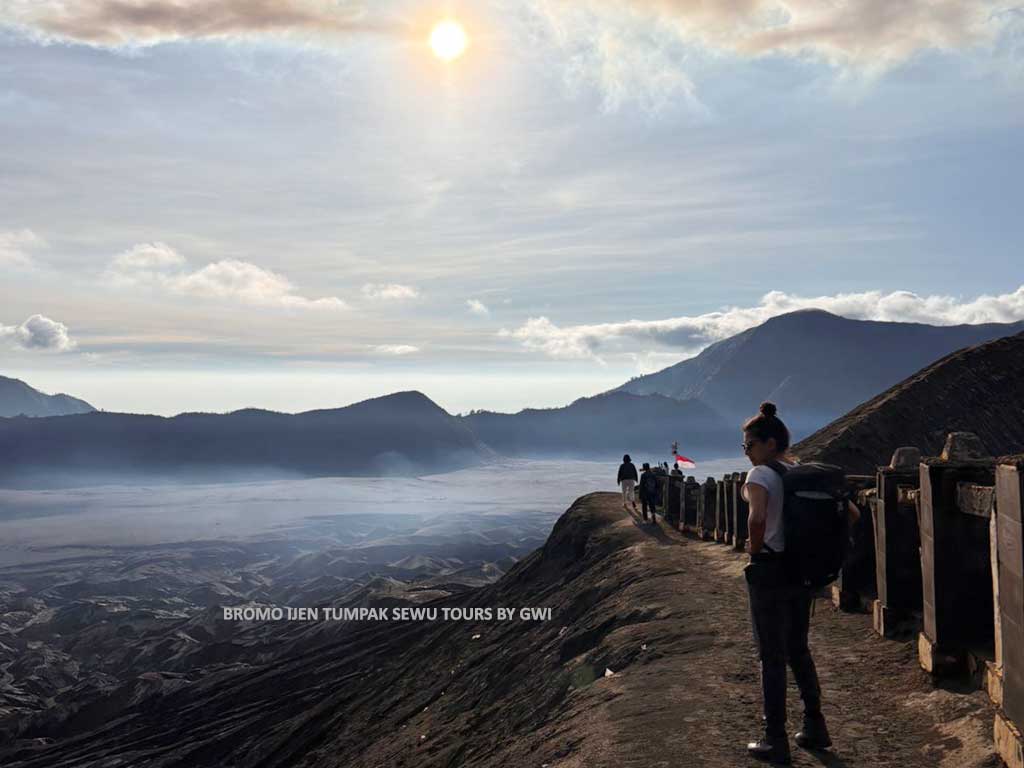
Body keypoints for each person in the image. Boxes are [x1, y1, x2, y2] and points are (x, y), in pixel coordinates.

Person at [741, 401, 829, 765]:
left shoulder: (760, 475)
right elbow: (851, 514)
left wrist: (755, 549)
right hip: (800, 573)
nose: (746, 452)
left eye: (749, 445)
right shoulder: (800, 473)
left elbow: (757, 517)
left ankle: (774, 738)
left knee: (771, 656)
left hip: (770, 572)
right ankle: (815, 725)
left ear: (769, 444)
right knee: (798, 649)